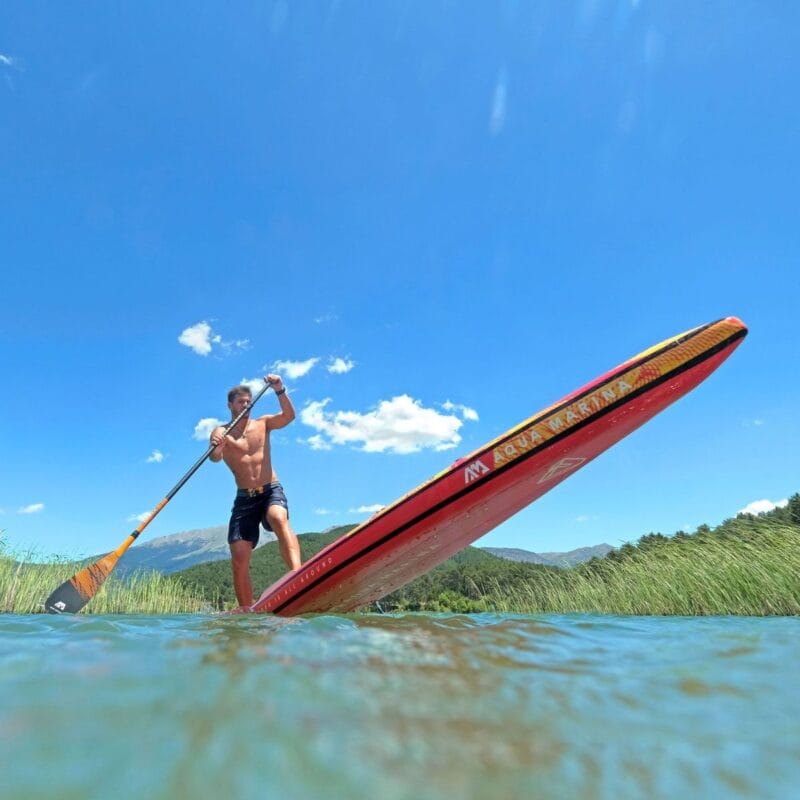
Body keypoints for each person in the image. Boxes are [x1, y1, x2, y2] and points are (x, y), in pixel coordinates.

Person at [210, 375, 301, 611]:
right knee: (239, 558)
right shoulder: (221, 432)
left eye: (249, 402)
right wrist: (217, 447)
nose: (246, 406)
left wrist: (279, 389)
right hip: (244, 499)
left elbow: (289, 417)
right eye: (241, 402)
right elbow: (214, 458)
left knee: (278, 517)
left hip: (270, 489)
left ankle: (298, 576)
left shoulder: (263, 424)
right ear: (230, 405)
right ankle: (247, 610)